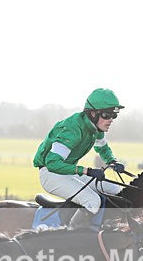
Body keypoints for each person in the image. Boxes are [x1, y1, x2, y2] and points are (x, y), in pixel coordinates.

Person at [33, 88, 126, 228]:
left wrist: (112, 161)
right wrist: (87, 171)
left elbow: (102, 148)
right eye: (107, 115)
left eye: (114, 115)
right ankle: (72, 235)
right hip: (51, 174)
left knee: (117, 190)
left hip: (67, 172)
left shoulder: (96, 129)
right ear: (93, 113)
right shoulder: (72, 129)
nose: (111, 120)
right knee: (93, 202)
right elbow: (52, 163)